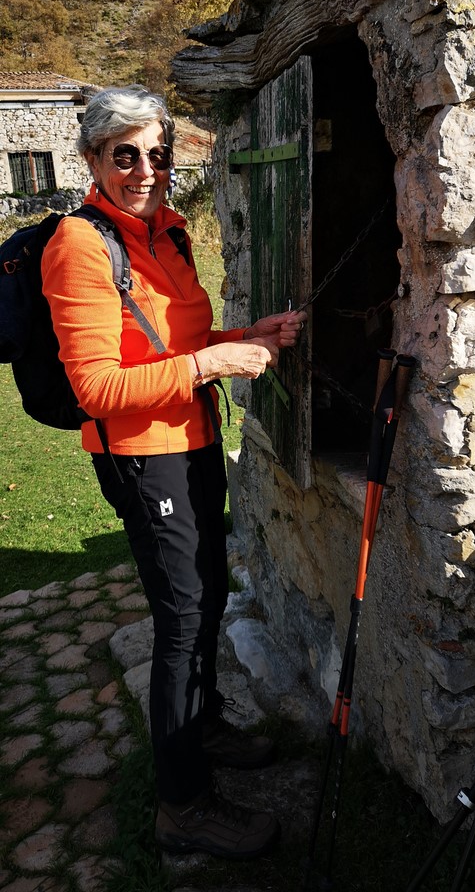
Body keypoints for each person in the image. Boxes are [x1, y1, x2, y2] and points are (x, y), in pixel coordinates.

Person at [41, 85, 306, 860]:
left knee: (210, 591)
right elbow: (97, 388)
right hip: (139, 456)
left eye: (157, 155)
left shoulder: (170, 231)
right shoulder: (80, 245)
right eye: (125, 155)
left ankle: (205, 726)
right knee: (182, 620)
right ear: (93, 159)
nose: (145, 171)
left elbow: (173, 346)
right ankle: (183, 805)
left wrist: (243, 335)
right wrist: (213, 365)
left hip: (192, 439)